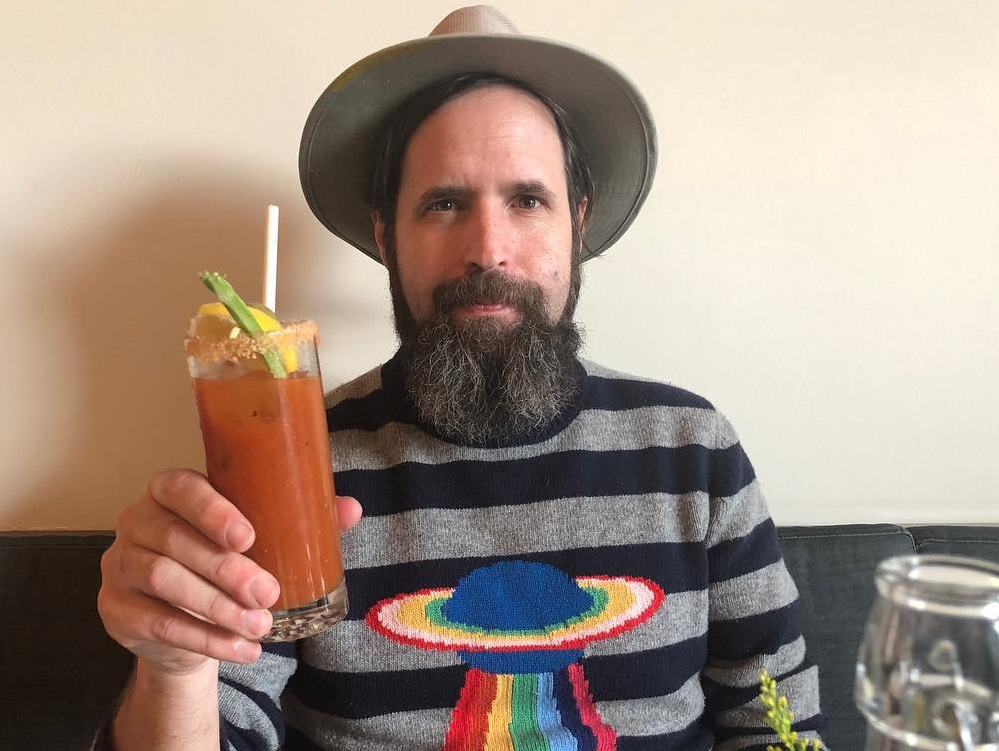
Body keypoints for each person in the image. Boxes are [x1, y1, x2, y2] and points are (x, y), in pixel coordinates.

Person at [97, 6, 824, 750]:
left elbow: (775, 725)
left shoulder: (692, 449)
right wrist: (174, 670)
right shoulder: (294, 463)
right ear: (386, 235)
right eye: (444, 203)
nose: (488, 247)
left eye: (527, 200)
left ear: (577, 224)